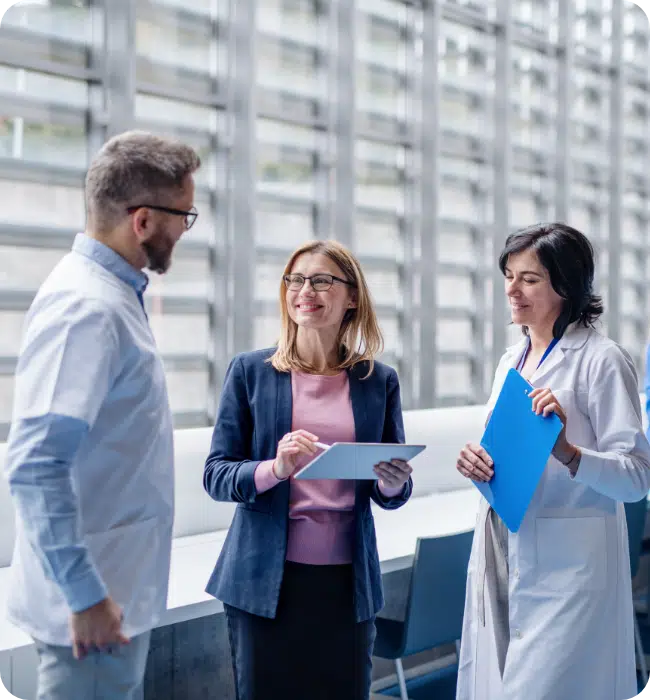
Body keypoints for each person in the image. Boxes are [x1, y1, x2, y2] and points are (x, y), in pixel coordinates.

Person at [3, 130, 201, 700]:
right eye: (182, 217)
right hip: (91, 616)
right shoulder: (87, 307)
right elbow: (36, 465)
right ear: (142, 221)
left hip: (111, 600)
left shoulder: (112, 297)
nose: (184, 232)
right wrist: (85, 596)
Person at [203, 239, 414, 700]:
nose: (305, 290)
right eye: (296, 280)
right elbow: (216, 474)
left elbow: (391, 490)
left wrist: (392, 482)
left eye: (321, 280)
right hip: (263, 584)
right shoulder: (250, 372)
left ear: (352, 296)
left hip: (346, 585)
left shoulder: (378, 381)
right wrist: (275, 468)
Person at [455, 222, 650, 700]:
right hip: (503, 548)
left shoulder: (602, 360)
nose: (512, 290)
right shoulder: (510, 361)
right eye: (509, 275)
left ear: (566, 285)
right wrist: (474, 461)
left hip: (571, 566)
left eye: (530, 279)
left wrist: (568, 452)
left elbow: (638, 479)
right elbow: (499, 452)